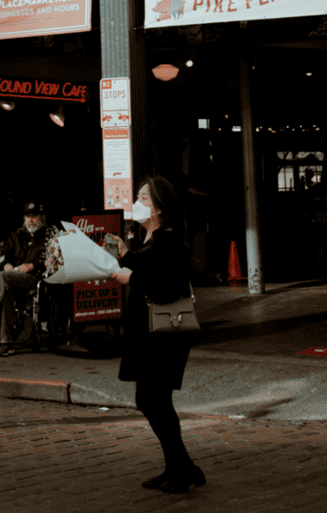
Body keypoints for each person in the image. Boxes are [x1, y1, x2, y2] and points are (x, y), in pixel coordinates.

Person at [110, 176, 205, 494]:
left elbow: (166, 285)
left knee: (153, 400)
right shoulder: (152, 240)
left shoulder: (169, 240)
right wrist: (125, 255)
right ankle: (180, 467)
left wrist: (132, 275)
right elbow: (147, 267)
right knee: (155, 400)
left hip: (164, 336)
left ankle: (182, 468)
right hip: (151, 334)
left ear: (160, 208)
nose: (136, 203)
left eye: (143, 198)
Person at [0, 200, 46, 356]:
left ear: (42, 218)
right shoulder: (17, 235)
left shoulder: (48, 238)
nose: (30, 220)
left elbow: (53, 261)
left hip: (33, 279)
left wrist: (33, 265)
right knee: (5, 287)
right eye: (28, 216)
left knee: (3, 278)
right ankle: (6, 343)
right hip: (10, 279)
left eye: (34, 216)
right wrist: (5, 264)